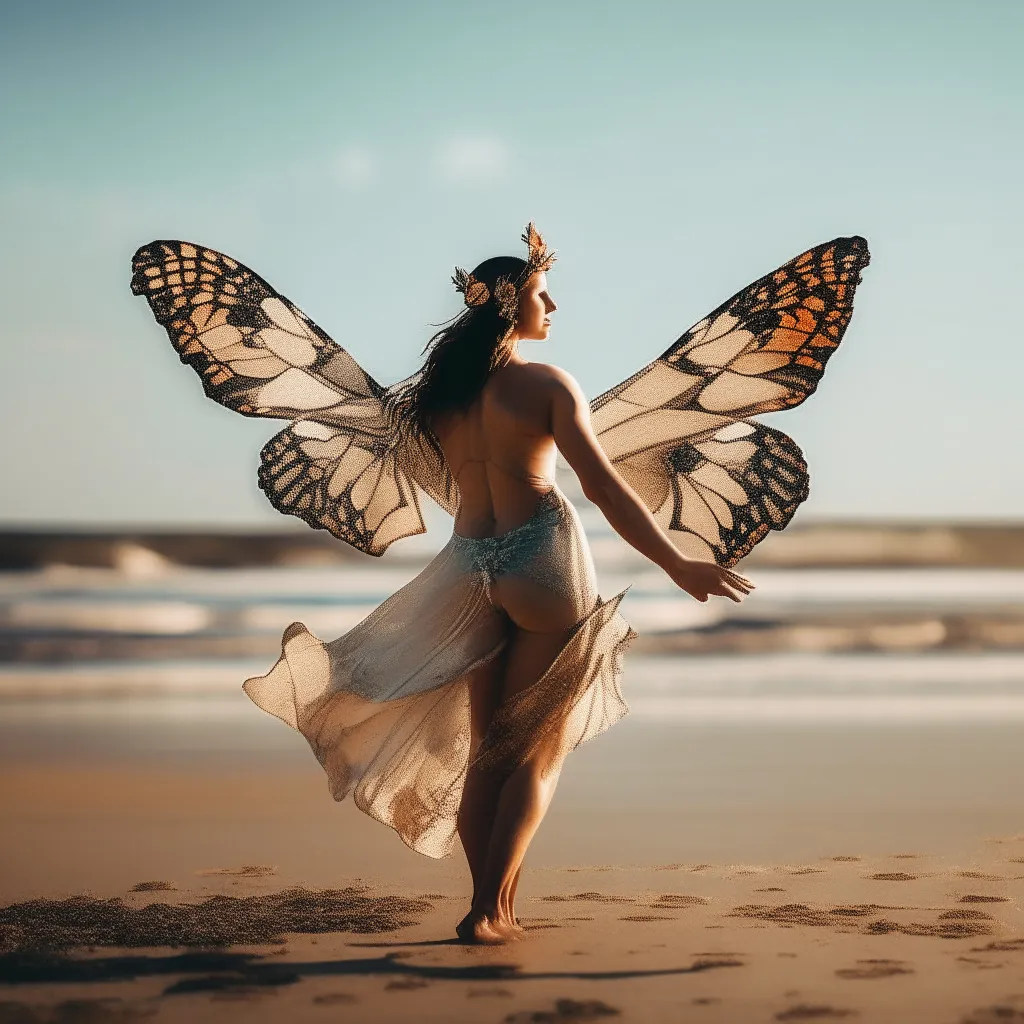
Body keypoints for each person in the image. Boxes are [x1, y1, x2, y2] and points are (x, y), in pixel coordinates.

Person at [131, 224, 868, 945]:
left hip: (466, 568)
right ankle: (489, 909)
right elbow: (606, 490)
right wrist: (678, 563)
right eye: (544, 295)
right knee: (536, 751)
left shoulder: (433, 400)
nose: (552, 309)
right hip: (542, 561)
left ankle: (495, 904)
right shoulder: (546, 384)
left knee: (488, 749)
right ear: (512, 302)